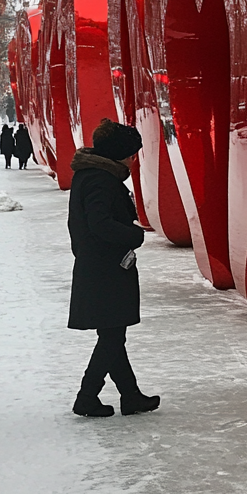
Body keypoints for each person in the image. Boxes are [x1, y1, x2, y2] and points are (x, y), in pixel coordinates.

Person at [68, 118, 159, 418]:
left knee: (112, 335)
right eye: (132, 153)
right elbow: (99, 223)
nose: (134, 159)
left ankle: (130, 396)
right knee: (111, 337)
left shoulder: (91, 175)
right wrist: (134, 235)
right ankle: (86, 396)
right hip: (105, 270)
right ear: (120, 153)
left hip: (98, 267)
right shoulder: (100, 179)